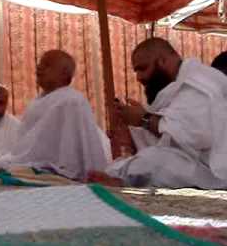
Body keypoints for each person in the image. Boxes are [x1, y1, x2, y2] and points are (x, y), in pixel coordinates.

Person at [91, 38, 227, 189]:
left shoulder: (199, 83)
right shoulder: (177, 87)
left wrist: (143, 119)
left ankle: (119, 181)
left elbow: (197, 136)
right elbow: (173, 136)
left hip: (216, 172)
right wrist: (133, 127)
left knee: (157, 161)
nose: (138, 77)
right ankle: (119, 178)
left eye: (142, 68)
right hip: (198, 164)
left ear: (162, 61)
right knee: (152, 158)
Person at [0, 50, 111, 180]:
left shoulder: (72, 100)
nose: (39, 67)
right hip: (32, 167)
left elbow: (78, 150)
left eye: (46, 65)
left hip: (59, 174)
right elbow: (28, 145)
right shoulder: (37, 101)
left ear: (64, 74)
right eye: (39, 64)